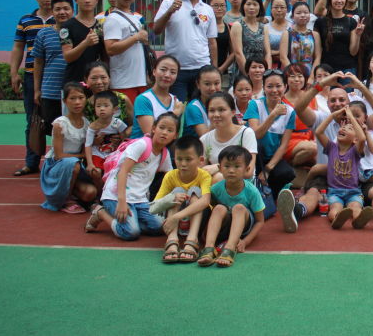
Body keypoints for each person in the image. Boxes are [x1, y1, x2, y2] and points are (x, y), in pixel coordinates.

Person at [279, 71, 373, 232]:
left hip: (359, 179)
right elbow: (299, 107)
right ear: (328, 104)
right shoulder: (322, 119)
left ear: (349, 103)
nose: (337, 103)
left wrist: (361, 86)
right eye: (333, 100)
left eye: (342, 100)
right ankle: (295, 213)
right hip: (330, 179)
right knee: (313, 193)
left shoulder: (360, 123)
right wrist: (322, 83)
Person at [85, 112, 179, 240]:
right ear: (153, 128)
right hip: (116, 196)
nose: (164, 132)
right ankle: (100, 212)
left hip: (140, 199)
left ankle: (128, 221)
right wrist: (122, 202)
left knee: (159, 226)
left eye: (170, 130)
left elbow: (171, 177)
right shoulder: (142, 145)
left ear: (175, 136)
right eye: (161, 127)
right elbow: (122, 171)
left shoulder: (164, 154)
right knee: (131, 232)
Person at [11, 0, 57, 176]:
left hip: (56, 79)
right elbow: (18, 47)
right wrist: (14, 72)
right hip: (31, 77)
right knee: (33, 120)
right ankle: (31, 162)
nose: (47, 0)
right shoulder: (25, 21)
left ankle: (57, 161)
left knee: (58, 121)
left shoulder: (62, 20)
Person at [153, 0, 217, 101]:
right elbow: (156, 30)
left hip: (202, 68)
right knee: (178, 109)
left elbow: (212, 42)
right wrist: (170, 11)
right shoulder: (169, 2)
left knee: (202, 108)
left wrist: (214, 69)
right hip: (176, 69)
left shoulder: (208, 9)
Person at [197, 145, 266, 268]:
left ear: (247, 169)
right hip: (225, 226)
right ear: (220, 168)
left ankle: (229, 249)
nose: (231, 170)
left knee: (238, 207)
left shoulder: (251, 191)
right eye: (227, 166)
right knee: (219, 208)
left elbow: (260, 221)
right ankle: (209, 248)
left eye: (237, 166)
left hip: (243, 224)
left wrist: (245, 241)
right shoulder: (216, 188)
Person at [150, 135, 212, 263]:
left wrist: (176, 217)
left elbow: (205, 201)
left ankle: (192, 240)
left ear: (200, 160)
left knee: (195, 192)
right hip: (174, 222)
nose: (183, 164)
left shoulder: (204, 175)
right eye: (179, 159)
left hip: (196, 219)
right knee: (177, 192)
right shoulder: (170, 176)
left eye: (188, 159)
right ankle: (172, 240)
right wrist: (171, 198)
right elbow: (153, 207)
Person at [314, 106, 373, 229]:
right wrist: (332, 116)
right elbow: (318, 132)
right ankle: (336, 219)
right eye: (343, 127)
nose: (344, 129)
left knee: (355, 207)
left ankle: (358, 219)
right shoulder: (331, 148)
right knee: (336, 208)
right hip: (334, 192)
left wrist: (351, 116)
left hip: (354, 192)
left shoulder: (355, 151)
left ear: (355, 139)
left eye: (349, 128)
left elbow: (362, 138)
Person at [40, 82, 95, 213]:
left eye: (81, 98)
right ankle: (66, 199)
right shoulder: (60, 124)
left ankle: (73, 191)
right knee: (73, 164)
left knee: (91, 193)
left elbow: (85, 147)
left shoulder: (87, 124)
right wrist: (82, 157)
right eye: (72, 98)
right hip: (57, 165)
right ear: (65, 101)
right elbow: (59, 156)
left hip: (75, 168)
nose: (77, 102)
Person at [244, 70, 297, 198]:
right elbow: (256, 135)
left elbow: (283, 146)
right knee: (259, 147)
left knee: (287, 173)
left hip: (271, 157)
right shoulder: (254, 104)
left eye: (278, 86)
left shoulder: (290, 112)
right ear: (263, 88)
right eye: (269, 86)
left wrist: (267, 169)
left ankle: (272, 196)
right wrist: (273, 114)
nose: (274, 90)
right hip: (252, 154)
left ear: (285, 87)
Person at [103, 0, 149, 105]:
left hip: (140, 80)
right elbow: (110, 48)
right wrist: (136, 37)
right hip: (123, 83)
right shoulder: (113, 19)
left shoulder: (135, 18)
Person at [32, 0, 74, 138]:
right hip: (51, 91)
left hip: (75, 91)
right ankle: (55, 158)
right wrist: (37, 89)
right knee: (53, 129)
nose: (62, 12)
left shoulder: (80, 32)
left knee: (75, 129)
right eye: (58, 9)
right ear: (52, 12)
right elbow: (38, 62)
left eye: (66, 9)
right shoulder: (43, 34)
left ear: (72, 11)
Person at [200, 92, 259, 183]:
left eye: (221, 110)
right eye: (212, 110)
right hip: (215, 188)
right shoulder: (204, 139)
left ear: (233, 112)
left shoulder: (246, 133)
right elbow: (201, 173)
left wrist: (217, 167)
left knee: (218, 178)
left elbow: (248, 172)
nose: (216, 114)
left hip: (244, 187)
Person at [84, 90, 129, 192]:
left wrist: (121, 154)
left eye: (106, 105)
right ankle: (100, 194)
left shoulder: (118, 123)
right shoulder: (93, 126)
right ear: (94, 108)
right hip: (98, 154)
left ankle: (113, 193)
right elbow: (88, 145)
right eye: (98, 106)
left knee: (115, 173)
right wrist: (90, 163)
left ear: (114, 109)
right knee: (96, 172)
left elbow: (124, 139)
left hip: (113, 155)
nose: (102, 109)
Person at [131, 55, 185, 139]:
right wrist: (175, 114)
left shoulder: (175, 101)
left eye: (173, 72)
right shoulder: (143, 99)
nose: (167, 75)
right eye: (163, 70)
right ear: (154, 71)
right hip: (142, 149)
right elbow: (152, 134)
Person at [60, 0, 104, 85]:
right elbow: (67, 57)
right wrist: (86, 43)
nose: (87, 0)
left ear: (97, 0)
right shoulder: (67, 26)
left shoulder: (100, 26)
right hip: (73, 82)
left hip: (95, 83)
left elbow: (104, 56)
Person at [314, 0, 361, 75]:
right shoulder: (320, 22)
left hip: (347, 70)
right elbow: (318, 51)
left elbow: (353, 52)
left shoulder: (352, 21)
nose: (339, 0)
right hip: (326, 70)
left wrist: (358, 35)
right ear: (330, 0)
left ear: (346, 0)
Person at [282, 65, 319, 167]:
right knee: (314, 149)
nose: (296, 79)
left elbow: (315, 121)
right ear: (286, 79)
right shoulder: (281, 100)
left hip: (308, 137)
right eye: (292, 76)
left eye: (300, 76)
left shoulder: (310, 97)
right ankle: (291, 166)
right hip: (289, 138)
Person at [230, 0, 272, 77]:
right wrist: (249, 75)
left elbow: (267, 53)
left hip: (260, 72)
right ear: (243, 6)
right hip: (243, 73)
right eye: (248, 4)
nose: (251, 7)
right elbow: (238, 53)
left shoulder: (263, 27)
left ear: (260, 7)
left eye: (255, 4)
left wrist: (267, 74)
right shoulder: (238, 25)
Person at [83, 61, 133, 127]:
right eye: (94, 78)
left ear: (109, 78)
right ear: (86, 80)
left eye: (103, 77)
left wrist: (125, 134)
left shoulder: (122, 99)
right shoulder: (86, 106)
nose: (99, 82)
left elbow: (135, 124)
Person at [183, 65, 222, 138]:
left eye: (216, 83)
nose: (213, 88)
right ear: (198, 84)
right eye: (207, 84)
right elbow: (205, 137)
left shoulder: (225, 103)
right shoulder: (193, 107)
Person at [288, 1, 321, 76]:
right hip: (291, 74)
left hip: (310, 73)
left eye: (306, 12)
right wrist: (292, 74)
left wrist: (312, 76)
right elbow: (283, 57)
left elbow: (317, 57)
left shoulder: (315, 34)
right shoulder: (287, 33)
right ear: (292, 16)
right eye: (298, 13)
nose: (302, 15)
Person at [209, 0, 234, 87]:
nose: (219, 8)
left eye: (222, 5)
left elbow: (233, 52)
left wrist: (222, 68)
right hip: (204, 70)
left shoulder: (229, 27)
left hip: (223, 73)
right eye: (215, 6)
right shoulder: (204, 26)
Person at [266, 0, 291, 69]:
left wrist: (275, 52)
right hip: (270, 65)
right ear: (271, 9)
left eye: (282, 7)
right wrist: (282, 52)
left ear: (287, 9)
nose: (279, 10)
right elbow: (264, 51)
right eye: (276, 7)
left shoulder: (292, 26)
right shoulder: (265, 27)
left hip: (289, 65)